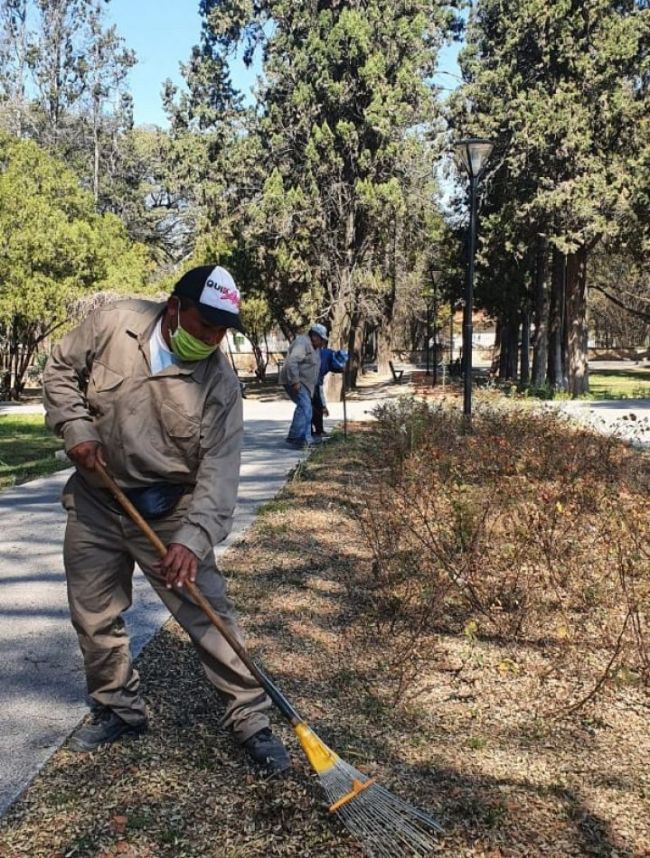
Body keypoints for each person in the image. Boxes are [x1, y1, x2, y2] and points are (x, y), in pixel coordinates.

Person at [42, 265, 290, 773]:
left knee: (208, 613)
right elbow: (59, 370)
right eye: (207, 325)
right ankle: (118, 708)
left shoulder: (220, 385)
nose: (214, 339)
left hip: (169, 513)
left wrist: (191, 540)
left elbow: (220, 472)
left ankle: (250, 719)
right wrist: (75, 426)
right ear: (174, 308)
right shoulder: (113, 324)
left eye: (223, 331)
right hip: (96, 502)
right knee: (94, 615)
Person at [278, 323, 328, 449]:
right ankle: (296, 438)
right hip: (295, 380)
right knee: (305, 407)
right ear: (314, 336)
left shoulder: (316, 349)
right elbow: (292, 362)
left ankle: (305, 439)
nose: (323, 342)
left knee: (307, 409)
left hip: (306, 383)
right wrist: (295, 381)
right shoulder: (302, 343)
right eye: (321, 339)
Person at [311, 347, 348, 437]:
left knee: (315, 406)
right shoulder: (321, 363)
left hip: (312, 379)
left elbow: (333, 366)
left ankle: (317, 430)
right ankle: (314, 431)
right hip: (308, 380)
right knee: (314, 406)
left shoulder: (330, 355)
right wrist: (324, 406)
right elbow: (319, 389)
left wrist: (341, 370)